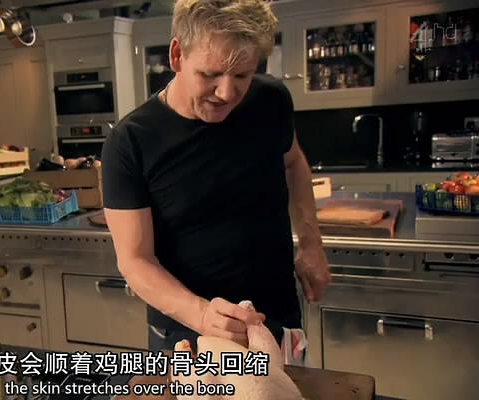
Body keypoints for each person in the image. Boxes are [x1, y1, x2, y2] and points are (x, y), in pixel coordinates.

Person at [100, 0, 331, 352]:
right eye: (210, 74)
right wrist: (202, 314)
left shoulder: (271, 100)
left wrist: (311, 244)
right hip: (188, 333)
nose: (226, 93)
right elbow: (135, 261)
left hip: (276, 315)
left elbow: (293, 163)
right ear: (177, 55)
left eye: (241, 76)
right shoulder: (130, 142)